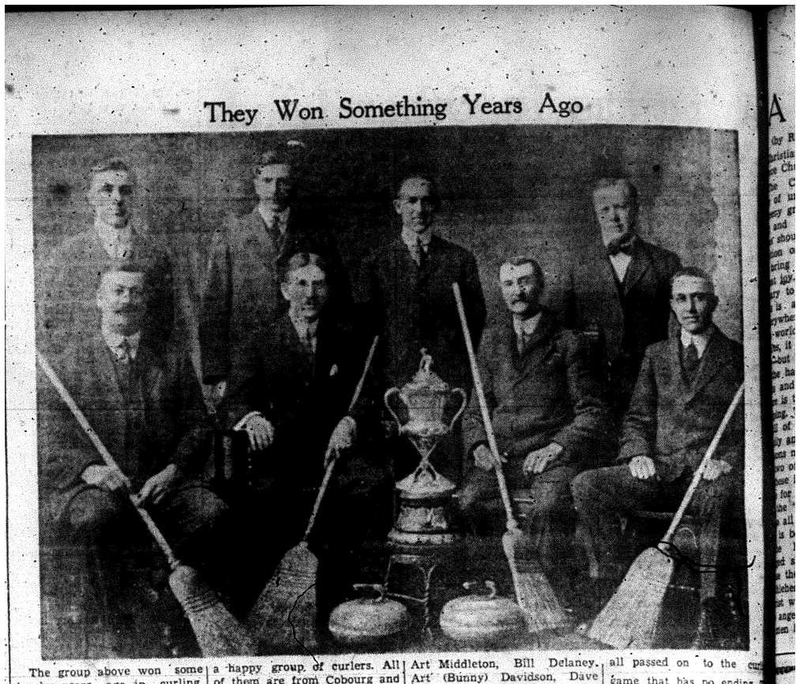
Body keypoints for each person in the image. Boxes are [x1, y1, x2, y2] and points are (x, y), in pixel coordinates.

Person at [38, 264, 229, 658]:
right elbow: (47, 436)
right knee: (94, 517)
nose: (127, 300)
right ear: (99, 300)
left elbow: (198, 426)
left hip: (162, 485)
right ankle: (114, 622)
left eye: (136, 292)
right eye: (118, 291)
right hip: (97, 487)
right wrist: (90, 470)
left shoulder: (171, 359)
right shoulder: (69, 363)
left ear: (146, 302)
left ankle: (171, 610)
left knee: (211, 512)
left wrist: (172, 471)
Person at [571, 267, 745, 648]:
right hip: (661, 472)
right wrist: (638, 453)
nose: (690, 307)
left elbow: (749, 427)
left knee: (719, 496)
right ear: (671, 304)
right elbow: (638, 417)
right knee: (588, 484)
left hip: (707, 476)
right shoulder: (657, 355)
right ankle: (613, 589)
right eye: (682, 298)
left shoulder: (735, 356)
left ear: (714, 302)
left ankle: (710, 612)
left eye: (699, 297)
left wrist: (726, 461)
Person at [223, 252, 389, 630]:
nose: (310, 293)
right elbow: (234, 401)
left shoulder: (347, 337)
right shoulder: (260, 340)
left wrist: (349, 421)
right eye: (301, 284)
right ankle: (271, 612)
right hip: (280, 456)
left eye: (318, 284)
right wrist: (253, 419)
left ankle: (344, 597)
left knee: (369, 485)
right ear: (285, 290)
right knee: (265, 505)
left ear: (328, 290)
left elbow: (368, 391)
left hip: (334, 453)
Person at [459, 256, 611, 601]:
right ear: (501, 290)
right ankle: (496, 590)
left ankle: (549, 599)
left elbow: (592, 412)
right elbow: (475, 410)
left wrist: (555, 448)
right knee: (468, 501)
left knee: (549, 507)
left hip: (551, 458)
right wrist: (479, 446)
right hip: (502, 457)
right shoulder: (491, 341)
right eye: (509, 284)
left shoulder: (569, 342)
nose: (518, 291)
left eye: (525, 282)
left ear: (540, 287)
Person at [358, 173, 486, 481]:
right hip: (396, 389)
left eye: (427, 201)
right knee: (401, 477)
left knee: (447, 475)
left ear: (436, 207)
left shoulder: (459, 260)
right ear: (397, 206)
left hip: (446, 389)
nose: (419, 209)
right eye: (411, 201)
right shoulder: (376, 262)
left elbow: (475, 323)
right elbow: (366, 332)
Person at [199, 142, 346, 399]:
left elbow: (337, 299)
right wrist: (217, 375)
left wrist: (336, 358)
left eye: (283, 182)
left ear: (293, 184)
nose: (275, 190)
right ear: (256, 184)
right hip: (246, 365)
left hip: (305, 362)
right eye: (267, 181)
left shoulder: (316, 233)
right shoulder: (230, 234)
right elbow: (214, 308)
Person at [564, 177, 681, 423]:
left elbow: (681, 328)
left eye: (621, 207)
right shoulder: (576, 266)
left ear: (636, 208)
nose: (613, 217)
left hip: (649, 384)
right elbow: (564, 329)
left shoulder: (665, 263)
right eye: (605, 209)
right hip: (593, 386)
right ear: (595, 213)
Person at [37, 157, 174, 360]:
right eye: (107, 190)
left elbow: (164, 327)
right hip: (84, 369)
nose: (117, 198)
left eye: (125, 191)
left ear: (135, 197)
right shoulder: (67, 255)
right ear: (91, 198)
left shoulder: (156, 257)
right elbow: (51, 324)